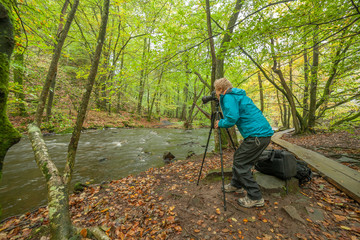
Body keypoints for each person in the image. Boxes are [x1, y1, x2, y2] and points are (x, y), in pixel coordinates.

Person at [214, 77, 274, 208]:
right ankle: (237, 185)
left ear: (220, 89)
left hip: (257, 136)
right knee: (239, 158)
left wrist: (220, 123)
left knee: (241, 163)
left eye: (216, 91)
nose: (216, 94)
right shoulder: (236, 95)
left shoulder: (229, 97)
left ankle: (255, 197)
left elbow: (231, 119)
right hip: (260, 134)